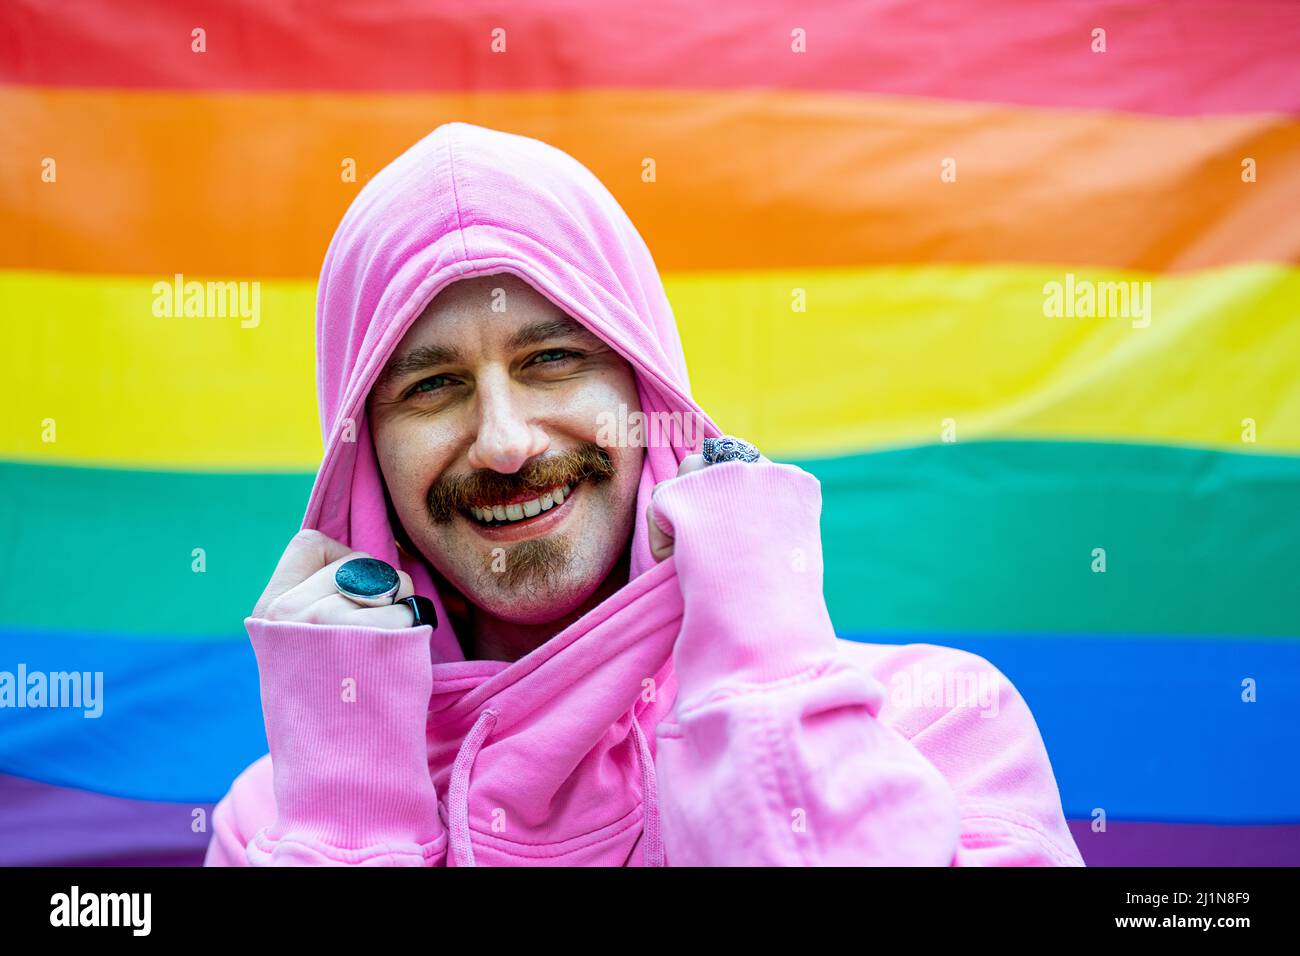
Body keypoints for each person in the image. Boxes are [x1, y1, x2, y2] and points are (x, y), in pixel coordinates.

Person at [203, 122, 1084, 866]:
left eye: (552, 360)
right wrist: (351, 817)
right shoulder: (273, 822)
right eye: (431, 386)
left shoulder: (941, 725)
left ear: (648, 395)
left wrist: (760, 682)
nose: (506, 442)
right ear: (365, 455)